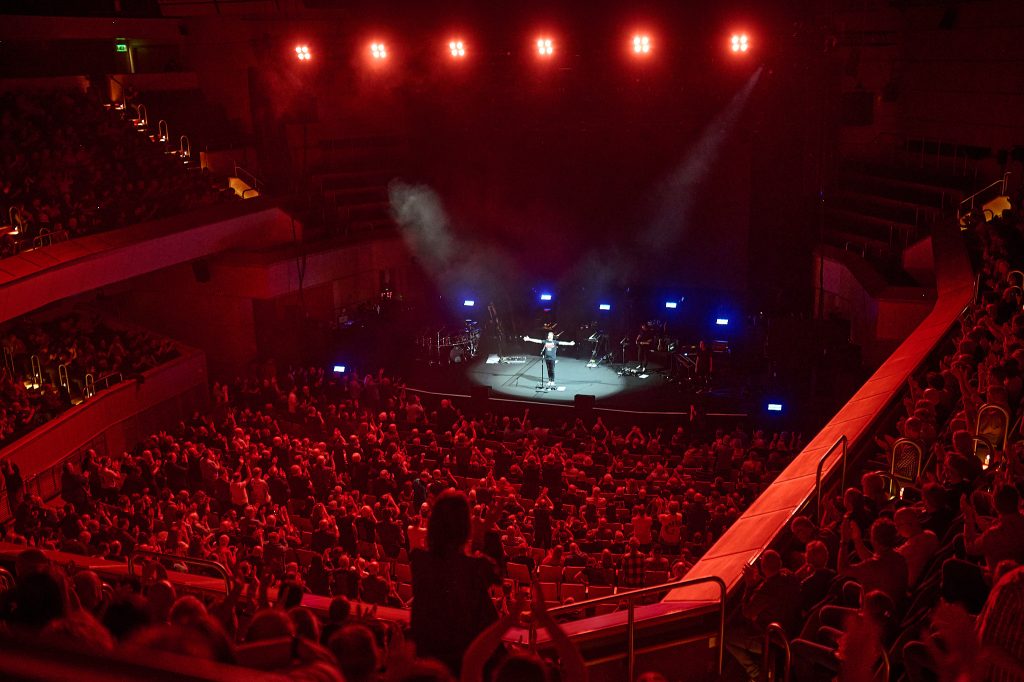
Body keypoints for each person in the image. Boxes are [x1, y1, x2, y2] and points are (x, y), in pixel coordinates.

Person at [410, 490, 500, 675]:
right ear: (465, 527)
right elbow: (494, 572)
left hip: (426, 665)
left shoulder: (419, 561)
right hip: (463, 667)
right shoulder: (478, 568)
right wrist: (484, 532)